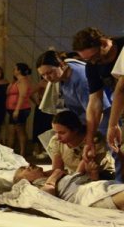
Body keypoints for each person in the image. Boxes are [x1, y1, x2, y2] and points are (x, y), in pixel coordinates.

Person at [71, 27, 120, 179]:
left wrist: (113, 124)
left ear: (104, 43)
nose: (93, 62)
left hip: (119, 105)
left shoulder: (122, 49)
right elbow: (94, 102)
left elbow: (121, 90)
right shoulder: (92, 66)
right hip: (120, 109)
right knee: (118, 150)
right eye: (88, 60)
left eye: (95, 56)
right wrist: (89, 140)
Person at [13, 163, 124, 211]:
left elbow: (85, 182)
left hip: (103, 189)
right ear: (25, 180)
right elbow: (47, 198)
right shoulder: (33, 188)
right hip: (94, 197)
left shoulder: (53, 179)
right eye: (23, 169)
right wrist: (55, 175)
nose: (29, 166)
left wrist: (93, 173)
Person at [36, 49, 90, 126]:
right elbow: (60, 101)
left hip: (97, 122)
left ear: (62, 65)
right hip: (77, 120)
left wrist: (90, 134)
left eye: (50, 72)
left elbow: (94, 111)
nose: (47, 78)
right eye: (43, 75)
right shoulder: (59, 80)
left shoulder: (80, 78)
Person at [3, 63, 35, 157]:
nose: (13, 70)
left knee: (20, 130)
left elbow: (23, 95)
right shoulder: (16, 81)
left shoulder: (23, 81)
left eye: (15, 69)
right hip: (12, 109)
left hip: (20, 109)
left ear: (19, 71)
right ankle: (10, 152)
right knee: (12, 130)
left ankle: (22, 152)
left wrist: (17, 109)